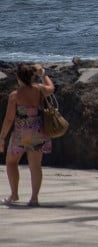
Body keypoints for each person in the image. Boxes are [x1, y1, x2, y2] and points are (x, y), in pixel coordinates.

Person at [1, 63, 55, 206]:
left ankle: (14, 194)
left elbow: (9, 119)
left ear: (18, 77)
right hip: (38, 132)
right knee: (35, 166)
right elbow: (52, 88)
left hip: (20, 134)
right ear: (32, 76)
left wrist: (2, 137)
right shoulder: (39, 89)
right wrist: (43, 74)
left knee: (11, 162)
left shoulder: (15, 95)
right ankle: (34, 198)